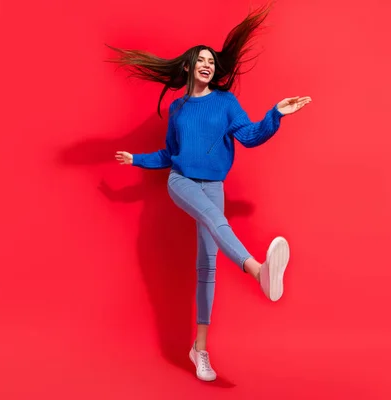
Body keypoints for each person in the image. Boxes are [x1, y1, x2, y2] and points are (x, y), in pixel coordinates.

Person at [107, 2, 311, 382]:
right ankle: (258, 271)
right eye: (201, 59)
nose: (208, 64)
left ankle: (200, 350)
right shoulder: (178, 108)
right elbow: (170, 154)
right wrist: (136, 159)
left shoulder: (226, 102)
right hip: (182, 181)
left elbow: (249, 137)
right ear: (187, 66)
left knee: (208, 266)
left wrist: (275, 115)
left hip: (214, 184)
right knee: (217, 221)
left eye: (212, 61)